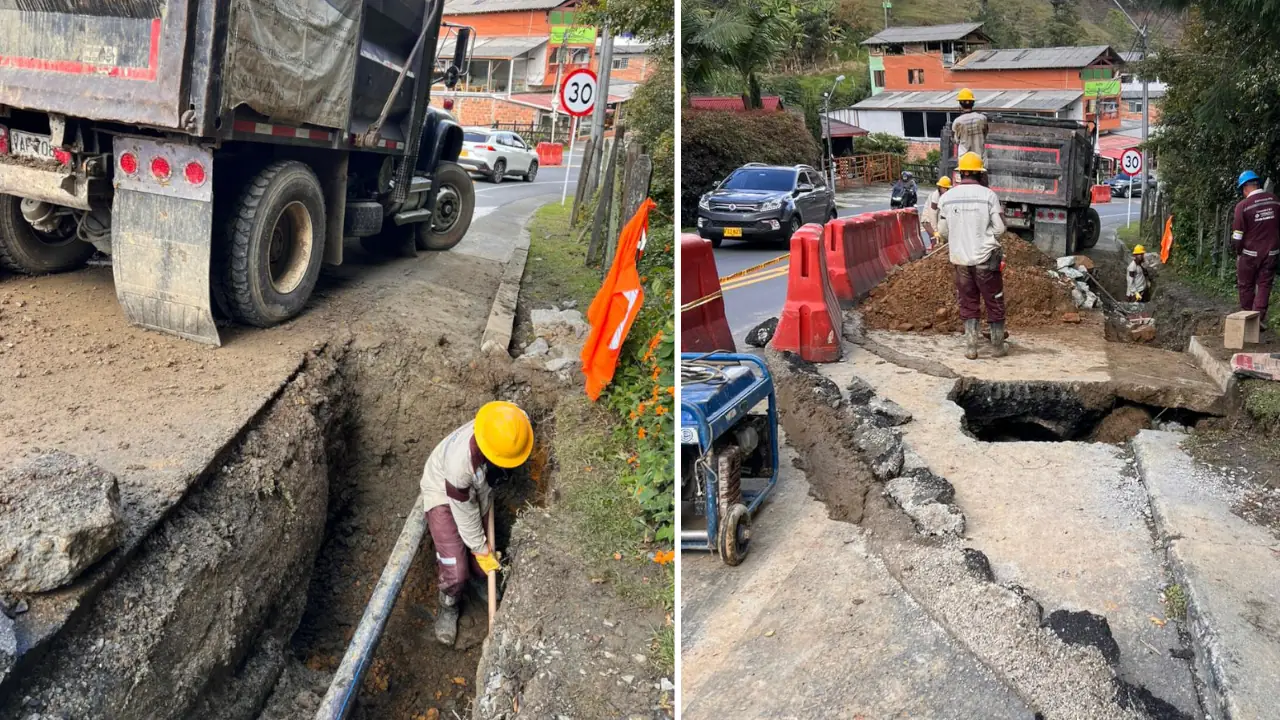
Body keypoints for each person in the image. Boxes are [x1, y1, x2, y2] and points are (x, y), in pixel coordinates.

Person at [421, 400, 533, 646]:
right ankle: (449, 604)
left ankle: (480, 579)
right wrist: (480, 547)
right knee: (457, 570)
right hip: (443, 491)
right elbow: (465, 514)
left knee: (482, 567)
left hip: (477, 488)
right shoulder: (459, 467)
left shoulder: (513, 423)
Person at [938, 151, 1007, 359]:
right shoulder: (988, 196)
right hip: (985, 259)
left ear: (961, 173)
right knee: (994, 301)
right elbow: (1000, 229)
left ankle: (971, 347)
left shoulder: (947, 197)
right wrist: (986, 236)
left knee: (968, 302)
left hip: (960, 261)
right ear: (980, 174)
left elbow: (942, 232)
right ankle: (997, 347)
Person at [1231, 170, 1280, 322]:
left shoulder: (1243, 206)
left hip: (1250, 254)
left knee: (1246, 285)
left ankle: (1247, 319)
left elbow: (1238, 235)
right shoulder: (1275, 201)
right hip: (1272, 252)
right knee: (1265, 285)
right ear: (1257, 184)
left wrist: (1238, 251)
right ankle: (1258, 319)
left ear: (1245, 188)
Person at [951, 88, 988, 161]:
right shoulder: (982, 118)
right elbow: (985, 133)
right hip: (980, 158)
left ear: (960, 104)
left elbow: (955, 140)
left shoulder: (957, 122)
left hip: (964, 160)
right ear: (973, 103)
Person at [922, 175, 952, 247]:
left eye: (946, 188)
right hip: (928, 221)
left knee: (943, 239)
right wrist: (935, 232)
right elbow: (933, 215)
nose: (945, 190)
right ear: (940, 187)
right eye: (943, 188)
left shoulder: (946, 196)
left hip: (938, 220)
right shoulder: (935, 196)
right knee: (935, 240)